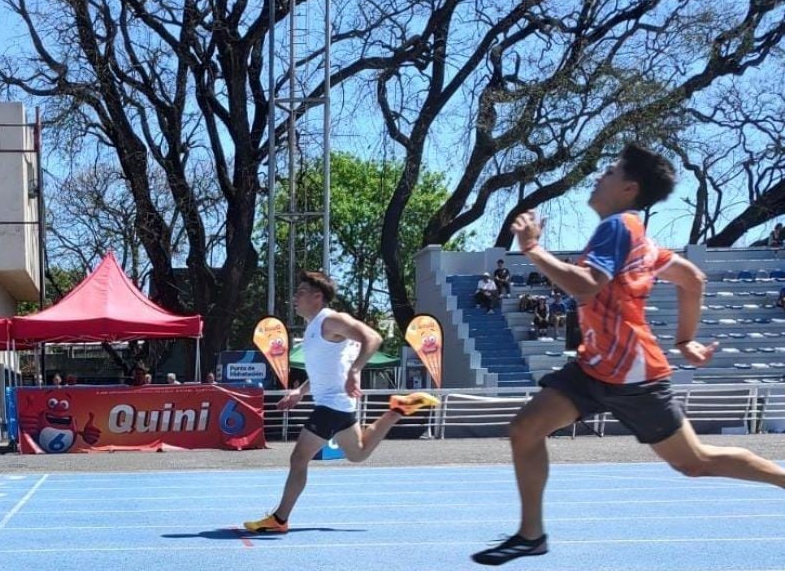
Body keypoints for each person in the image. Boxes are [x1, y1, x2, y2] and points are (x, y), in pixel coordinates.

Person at [472, 144, 785, 565]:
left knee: (695, 463)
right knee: (526, 429)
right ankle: (531, 535)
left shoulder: (619, 227)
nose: (601, 174)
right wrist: (685, 340)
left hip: (634, 376)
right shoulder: (638, 237)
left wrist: (532, 249)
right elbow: (691, 278)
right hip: (593, 366)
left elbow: (586, 285)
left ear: (629, 188)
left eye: (611, 170)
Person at [244, 270, 439, 534]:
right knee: (357, 453)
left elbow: (373, 338)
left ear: (317, 297)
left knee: (299, 457)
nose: (295, 297)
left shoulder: (331, 319)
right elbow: (326, 368)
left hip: (332, 404)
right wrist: (301, 391)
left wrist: (356, 370)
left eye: (301, 293)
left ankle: (279, 519)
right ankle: (396, 410)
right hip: (338, 403)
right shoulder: (314, 329)